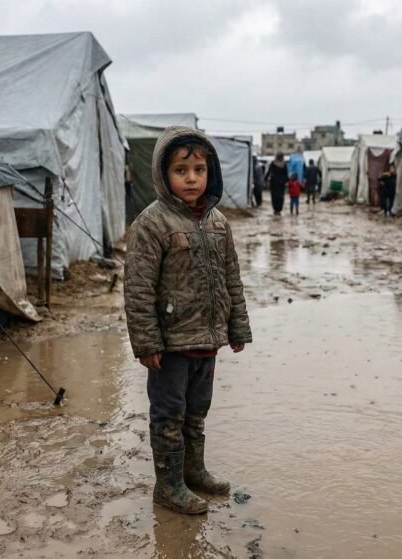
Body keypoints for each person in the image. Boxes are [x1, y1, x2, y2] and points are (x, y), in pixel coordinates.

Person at [124, 126, 252, 514]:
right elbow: (138, 287)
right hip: (170, 345)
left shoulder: (218, 222)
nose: (192, 178)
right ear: (164, 175)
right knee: (169, 415)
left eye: (199, 168)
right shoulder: (152, 223)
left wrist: (238, 327)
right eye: (181, 170)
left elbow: (231, 276)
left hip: (206, 341)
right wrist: (146, 343)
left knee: (197, 412)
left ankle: (193, 472)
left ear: (210, 170)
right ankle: (168, 485)